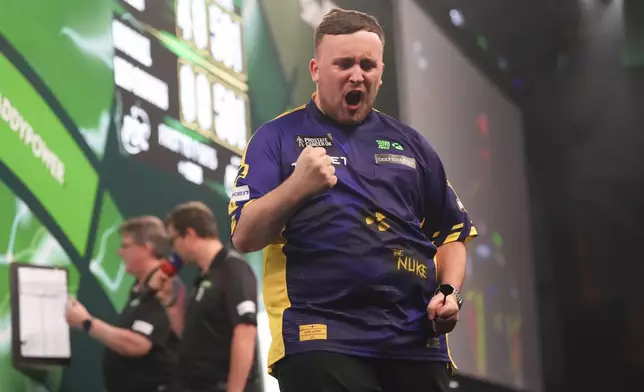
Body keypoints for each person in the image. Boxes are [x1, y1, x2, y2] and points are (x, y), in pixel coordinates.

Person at [229, 7, 478, 392]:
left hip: (414, 339)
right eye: (343, 63)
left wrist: (448, 293)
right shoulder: (276, 138)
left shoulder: (412, 145)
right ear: (315, 69)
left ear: (380, 71)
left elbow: (451, 234)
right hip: (321, 334)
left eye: (368, 64)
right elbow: (245, 236)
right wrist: (297, 186)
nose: (357, 74)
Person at [152, 201, 260, 392]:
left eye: (172, 241)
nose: (173, 250)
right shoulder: (203, 276)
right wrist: (169, 301)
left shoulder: (233, 269)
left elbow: (245, 332)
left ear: (190, 234)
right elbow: (190, 335)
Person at [65, 216, 182, 392]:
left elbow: (138, 344)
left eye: (126, 246)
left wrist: (87, 322)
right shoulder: (140, 287)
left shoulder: (165, 287)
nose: (120, 252)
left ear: (146, 248)